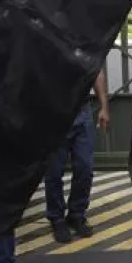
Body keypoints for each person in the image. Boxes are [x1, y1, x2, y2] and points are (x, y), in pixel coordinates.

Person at [45, 67, 109, 243]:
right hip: (54, 115)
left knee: (85, 168)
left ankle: (76, 214)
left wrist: (104, 107)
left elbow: (97, 71)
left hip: (82, 112)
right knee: (54, 172)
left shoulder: (84, 42)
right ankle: (56, 218)